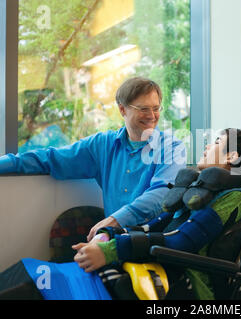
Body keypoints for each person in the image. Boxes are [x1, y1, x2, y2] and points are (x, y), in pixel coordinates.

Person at [0, 128, 241, 300]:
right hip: (161, 264)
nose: (207, 147)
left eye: (215, 142)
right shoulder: (201, 188)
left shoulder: (232, 199)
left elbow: (181, 242)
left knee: (37, 289)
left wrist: (112, 251)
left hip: (186, 280)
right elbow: (157, 224)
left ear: (232, 155)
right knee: (32, 279)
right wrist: (108, 236)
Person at [0, 77, 187, 240]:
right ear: (122, 110)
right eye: (143, 109)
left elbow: (163, 193)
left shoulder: (172, 147)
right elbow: (51, 158)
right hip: (111, 239)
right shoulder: (102, 145)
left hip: (154, 240)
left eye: (156, 108)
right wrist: (7, 163)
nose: (152, 116)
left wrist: (115, 220)